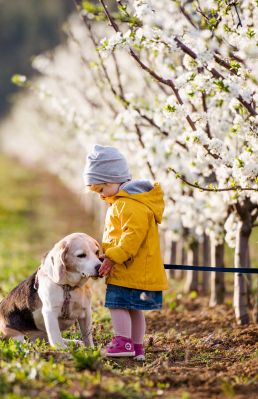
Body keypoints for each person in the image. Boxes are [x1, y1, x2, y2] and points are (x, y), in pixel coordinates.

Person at [83, 145, 169, 360]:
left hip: (128, 269)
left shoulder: (128, 204)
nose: (101, 197)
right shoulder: (130, 202)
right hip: (136, 269)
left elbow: (132, 237)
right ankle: (137, 349)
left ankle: (123, 343)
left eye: (101, 190)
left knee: (117, 304)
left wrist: (113, 256)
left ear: (113, 181)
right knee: (133, 309)